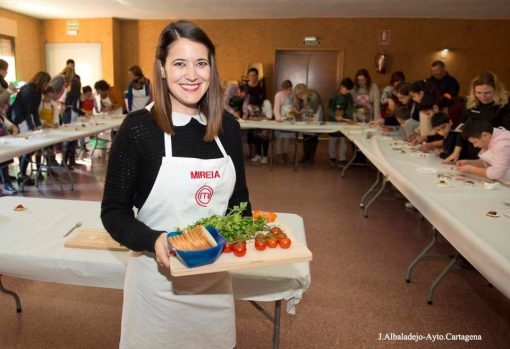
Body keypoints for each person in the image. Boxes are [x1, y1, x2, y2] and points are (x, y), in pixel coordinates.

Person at [101, 21, 250, 349]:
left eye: (201, 63)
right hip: (157, 289)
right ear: (163, 69)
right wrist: (153, 239)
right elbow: (114, 212)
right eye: (179, 63)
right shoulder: (139, 129)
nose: (192, 75)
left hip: (214, 286)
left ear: (211, 68)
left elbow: (241, 207)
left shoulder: (230, 129)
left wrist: (242, 234)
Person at [8, 71, 51, 186]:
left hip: (26, 117)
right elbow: (27, 111)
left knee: (30, 147)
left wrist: (38, 125)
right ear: (42, 81)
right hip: (20, 118)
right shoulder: (28, 89)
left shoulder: (37, 91)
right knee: (27, 147)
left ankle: (23, 174)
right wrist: (32, 127)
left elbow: (34, 111)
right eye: (47, 82)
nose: (47, 85)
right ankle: (22, 175)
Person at [458, 71, 510, 159]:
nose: (483, 97)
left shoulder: (505, 105)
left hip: (494, 152)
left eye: (487, 93)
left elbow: (507, 133)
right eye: (478, 93)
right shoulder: (471, 104)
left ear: (496, 90)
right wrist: (457, 151)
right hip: (471, 150)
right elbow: (462, 128)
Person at [456, 117, 510, 182]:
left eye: (475, 142)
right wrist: (469, 162)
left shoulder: (501, 144)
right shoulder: (490, 137)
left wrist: (471, 170)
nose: (475, 146)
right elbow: (487, 163)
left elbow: (496, 173)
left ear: (484, 135)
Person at [293, 83, 323, 164]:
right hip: (307, 118)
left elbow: (315, 110)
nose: (299, 96)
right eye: (297, 95)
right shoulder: (299, 97)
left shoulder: (313, 95)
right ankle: (305, 156)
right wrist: (295, 109)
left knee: (313, 137)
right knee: (305, 136)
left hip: (315, 117)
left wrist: (304, 110)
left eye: (300, 94)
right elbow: (298, 106)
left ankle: (311, 158)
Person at [328, 77, 353, 166]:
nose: (347, 92)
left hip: (344, 121)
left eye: (349, 91)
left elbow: (350, 108)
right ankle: (332, 157)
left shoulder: (349, 96)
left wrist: (349, 117)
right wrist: (335, 116)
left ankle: (342, 159)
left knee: (343, 140)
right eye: (346, 90)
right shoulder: (334, 96)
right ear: (342, 87)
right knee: (333, 140)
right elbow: (329, 110)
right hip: (333, 120)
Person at [62, 78, 83, 168]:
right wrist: (84, 113)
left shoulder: (68, 94)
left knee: (72, 140)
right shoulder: (76, 94)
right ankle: (66, 162)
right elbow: (75, 108)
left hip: (68, 116)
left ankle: (70, 161)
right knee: (70, 140)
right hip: (71, 117)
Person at [273, 79, 294, 163]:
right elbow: (276, 108)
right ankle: (278, 154)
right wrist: (278, 118)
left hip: (288, 120)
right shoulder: (279, 95)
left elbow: (292, 107)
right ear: (283, 89)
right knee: (280, 138)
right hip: (280, 120)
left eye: (290, 89)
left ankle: (285, 153)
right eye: (287, 90)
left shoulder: (291, 96)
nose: (289, 91)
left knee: (287, 138)